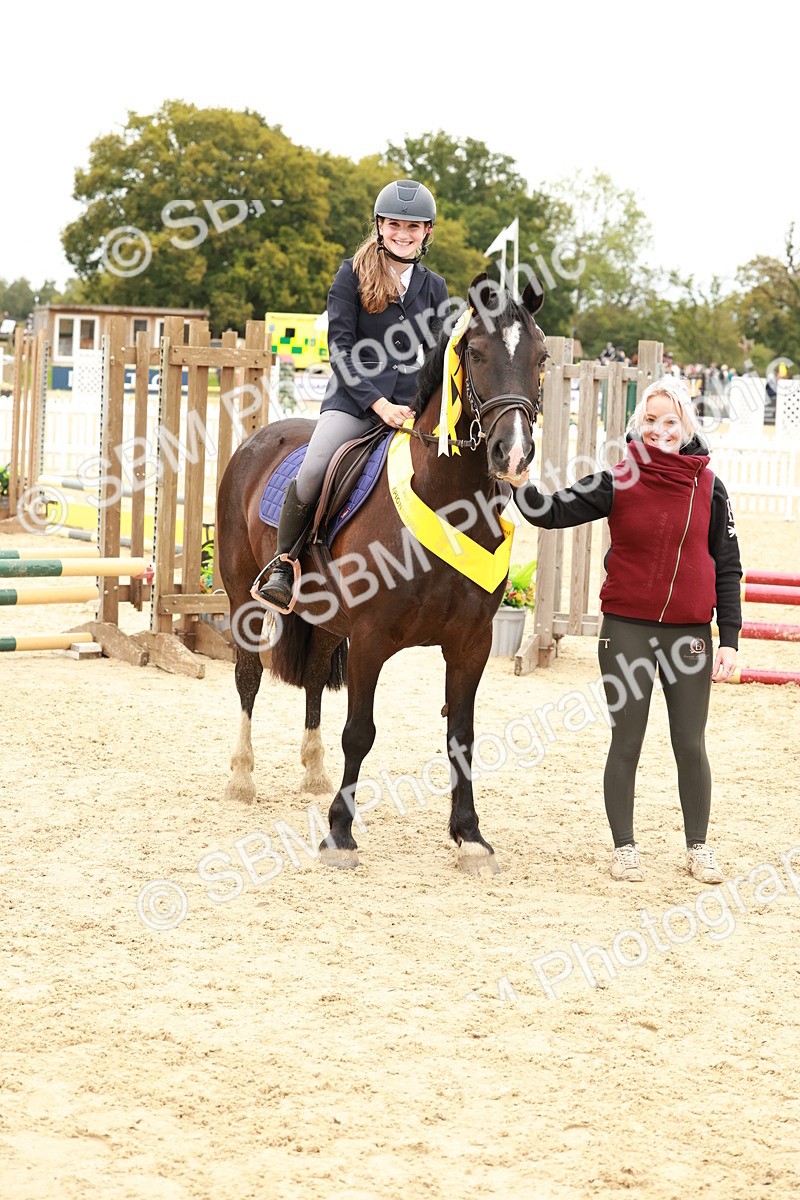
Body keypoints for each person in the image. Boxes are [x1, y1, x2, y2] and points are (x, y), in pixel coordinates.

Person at [515, 376, 743, 885]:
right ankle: (625, 848)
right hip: (627, 631)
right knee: (627, 741)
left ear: (685, 426)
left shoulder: (710, 487)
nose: (660, 429)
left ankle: (698, 847)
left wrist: (728, 637)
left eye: (670, 420)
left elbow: (727, 565)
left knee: (690, 742)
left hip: (690, 637)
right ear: (637, 425)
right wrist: (519, 484)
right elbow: (548, 512)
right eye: (650, 420)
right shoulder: (617, 480)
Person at [255, 178, 448, 608]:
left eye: (413, 227)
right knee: (314, 468)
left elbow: (436, 358)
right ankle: (284, 564)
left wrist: (422, 408)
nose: (403, 234)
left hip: (412, 410)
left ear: (427, 232)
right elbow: (339, 348)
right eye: (395, 224)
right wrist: (378, 404)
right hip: (357, 402)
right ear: (379, 226)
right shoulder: (352, 274)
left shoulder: (435, 287)